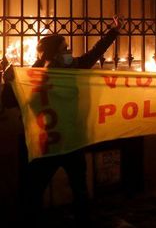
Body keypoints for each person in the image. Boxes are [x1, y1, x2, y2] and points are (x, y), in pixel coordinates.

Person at [2, 15, 123, 227]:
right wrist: (9, 79)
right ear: (52, 54)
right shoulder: (33, 75)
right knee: (35, 190)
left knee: (78, 189)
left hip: (71, 141)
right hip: (47, 143)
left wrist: (114, 32)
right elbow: (12, 102)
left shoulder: (73, 68)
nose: (68, 52)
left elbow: (95, 53)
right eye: (64, 48)